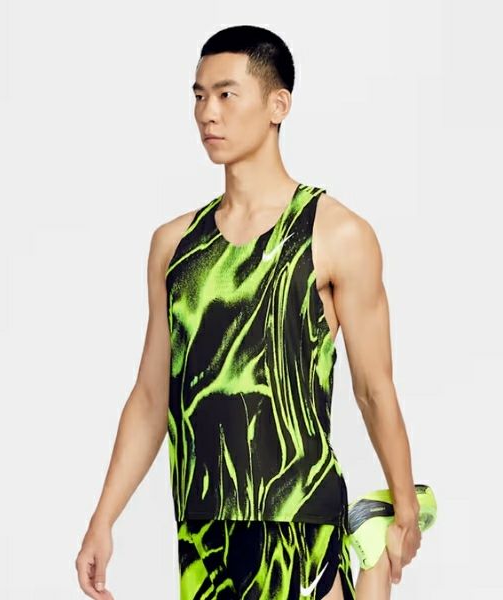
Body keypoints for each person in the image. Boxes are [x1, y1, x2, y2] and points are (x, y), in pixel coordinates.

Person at [75, 24, 422, 599]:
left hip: (300, 519)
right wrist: (103, 519)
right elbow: (151, 395)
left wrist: (404, 503)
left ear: (277, 106)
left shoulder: (336, 234)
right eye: (199, 95)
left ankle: (371, 561)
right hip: (204, 530)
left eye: (227, 94)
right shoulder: (173, 245)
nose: (207, 113)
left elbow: (372, 386)